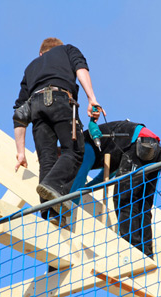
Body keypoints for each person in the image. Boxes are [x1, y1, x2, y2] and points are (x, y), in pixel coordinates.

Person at [13, 37, 103, 221]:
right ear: (58, 49)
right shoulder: (67, 50)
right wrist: (91, 98)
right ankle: (53, 187)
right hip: (61, 100)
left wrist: (20, 152)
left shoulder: (31, 68)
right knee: (75, 151)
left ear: (41, 53)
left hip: (36, 107)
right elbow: (81, 70)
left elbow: (20, 113)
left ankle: (50, 214)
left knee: (47, 160)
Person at [70, 120, 161, 257]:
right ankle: (146, 253)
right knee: (142, 204)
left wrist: (69, 203)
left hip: (138, 144)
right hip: (153, 148)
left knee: (124, 198)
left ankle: (132, 250)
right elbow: (102, 178)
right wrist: (87, 188)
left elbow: (79, 178)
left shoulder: (81, 147)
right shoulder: (111, 153)